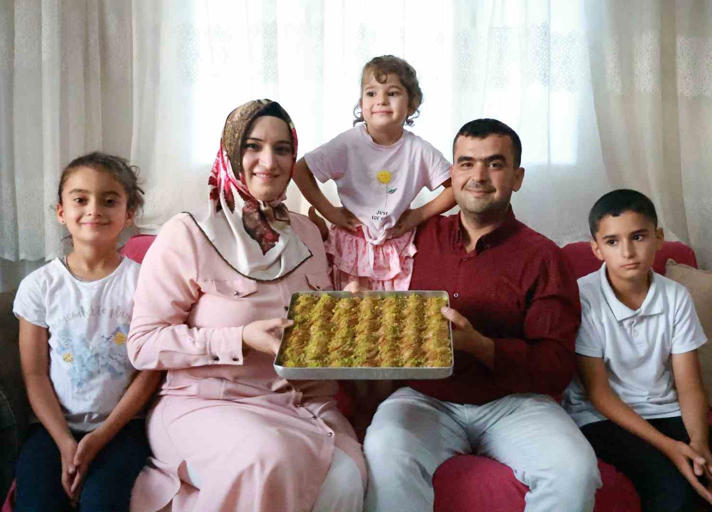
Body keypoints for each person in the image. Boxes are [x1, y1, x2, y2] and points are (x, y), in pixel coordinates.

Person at [127, 100, 366, 512]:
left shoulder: (308, 233)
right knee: (267, 459)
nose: (268, 162)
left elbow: (310, 341)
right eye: (253, 147)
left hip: (299, 404)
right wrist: (241, 338)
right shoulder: (188, 233)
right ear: (231, 152)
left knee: (347, 476)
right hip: (205, 403)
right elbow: (144, 344)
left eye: (282, 149)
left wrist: (343, 319)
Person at [363, 119, 602, 512]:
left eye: (494, 164)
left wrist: (479, 346)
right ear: (452, 173)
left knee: (574, 470)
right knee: (385, 450)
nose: (478, 176)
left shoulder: (543, 256)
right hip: (426, 398)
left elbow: (556, 366)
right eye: (466, 163)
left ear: (517, 177)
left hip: (514, 403)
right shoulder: (415, 238)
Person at [562, 189, 712, 512]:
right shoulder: (584, 297)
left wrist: (698, 444)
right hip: (602, 417)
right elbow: (599, 393)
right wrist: (672, 448)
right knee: (673, 492)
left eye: (638, 236)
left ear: (657, 238)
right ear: (596, 249)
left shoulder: (676, 297)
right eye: (613, 242)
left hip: (664, 409)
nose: (628, 251)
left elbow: (689, 385)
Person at [12, 152, 159, 511]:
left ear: (129, 214)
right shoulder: (38, 286)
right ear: (62, 211)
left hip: (123, 429)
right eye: (80, 199)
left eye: (110, 200)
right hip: (51, 429)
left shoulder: (144, 283)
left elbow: (149, 370)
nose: (94, 209)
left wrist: (99, 438)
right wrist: (65, 442)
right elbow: (34, 374)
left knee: (102, 503)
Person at [293, 55, 455, 291]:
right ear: (361, 103)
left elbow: (456, 187)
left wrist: (418, 215)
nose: (380, 100)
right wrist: (330, 213)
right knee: (350, 314)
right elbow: (300, 170)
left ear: (412, 104)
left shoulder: (418, 149)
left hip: (394, 245)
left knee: (390, 317)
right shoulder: (348, 143)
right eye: (371, 93)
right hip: (351, 242)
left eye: (392, 93)